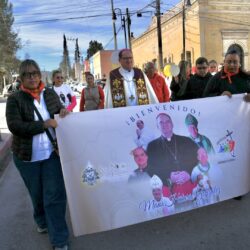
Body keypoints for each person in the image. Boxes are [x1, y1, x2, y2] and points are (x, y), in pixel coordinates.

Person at [6, 59, 69, 250]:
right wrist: (43, 124)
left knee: (55, 196)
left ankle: (59, 240)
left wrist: (63, 112)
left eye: (35, 73)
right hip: (27, 158)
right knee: (37, 195)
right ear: (22, 78)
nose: (32, 77)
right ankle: (41, 219)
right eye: (27, 74)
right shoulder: (15, 99)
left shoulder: (49, 93)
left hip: (51, 155)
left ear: (40, 75)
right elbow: (15, 126)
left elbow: (58, 112)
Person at [147, 113, 198, 187]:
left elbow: (198, 159)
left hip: (191, 183)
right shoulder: (152, 146)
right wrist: (168, 176)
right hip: (168, 188)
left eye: (168, 121)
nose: (165, 125)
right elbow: (151, 168)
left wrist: (189, 173)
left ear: (172, 124)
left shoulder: (187, 141)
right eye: (161, 122)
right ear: (157, 126)